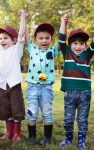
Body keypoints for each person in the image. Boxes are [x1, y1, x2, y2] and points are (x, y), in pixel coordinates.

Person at [0, 10, 27, 142]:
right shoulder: (0, 50)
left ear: (13, 40)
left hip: (14, 84)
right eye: (1, 38)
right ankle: (8, 132)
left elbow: (22, 34)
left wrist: (23, 17)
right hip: (1, 84)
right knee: (6, 109)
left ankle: (17, 134)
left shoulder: (17, 49)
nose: (2, 40)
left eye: (5, 38)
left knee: (16, 109)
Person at [59, 14, 94, 150]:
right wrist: (63, 22)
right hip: (69, 93)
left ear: (85, 46)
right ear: (70, 45)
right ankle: (68, 138)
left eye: (81, 43)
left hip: (85, 94)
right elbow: (61, 40)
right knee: (68, 118)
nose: (78, 46)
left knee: (82, 119)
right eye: (75, 43)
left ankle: (81, 140)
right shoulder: (67, 52)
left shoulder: (87, 55)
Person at [25, 21, 59, 145]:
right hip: (32, 87)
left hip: (46, 88)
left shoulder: (53, 51)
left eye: (47, 38)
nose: (44, 41)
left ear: (51, 39)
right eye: (41, 38)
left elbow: (61, 39)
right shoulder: (32, 48)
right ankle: (32, 137)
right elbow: (25, 36)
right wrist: (23, 18)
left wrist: (63, 22)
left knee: (47, 112)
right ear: (35, 39)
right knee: (31, 113)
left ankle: (47, 138)